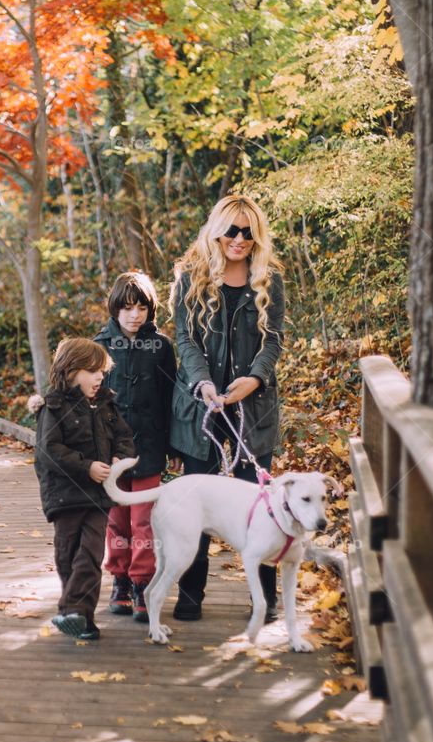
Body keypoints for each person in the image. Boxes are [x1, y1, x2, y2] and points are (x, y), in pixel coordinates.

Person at [169, 194, 285, 623]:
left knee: (259, 506)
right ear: (217, 229)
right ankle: (190, 595)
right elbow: (185, 339)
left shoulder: (268, 278)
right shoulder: (190, 278)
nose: (240, 239)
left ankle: (265, 601)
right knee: (196, 503)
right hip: (201, 408)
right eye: (232, 230)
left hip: (252, 410)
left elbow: (273, 339)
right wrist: (203, 382)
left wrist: (254, 378)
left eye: (248, 231)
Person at [32, 337, 135, 642]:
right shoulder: (53, 406)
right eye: (93, 371)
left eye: (102, 371)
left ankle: (73, 610)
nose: (100, 377)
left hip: (97, 498)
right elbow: (48, 451)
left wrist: (119, 458)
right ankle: (82, 618)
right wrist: (86, 466)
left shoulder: (106, 405)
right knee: (68, 557)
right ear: (72, 370)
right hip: (65, 496)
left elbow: (124, 437)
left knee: (90, 555)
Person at [94, 271, 177, 622]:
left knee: (145, 521)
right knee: (116, 521)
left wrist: (173, 444)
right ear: (115, 309)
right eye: (127, 307)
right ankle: (120, 580)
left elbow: (171, 397)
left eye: (141, 307)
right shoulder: (98, 346)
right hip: (111, 453)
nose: (134, 315)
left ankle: (143, 583)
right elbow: (89, 400)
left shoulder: (161, 346)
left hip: (150, 447)